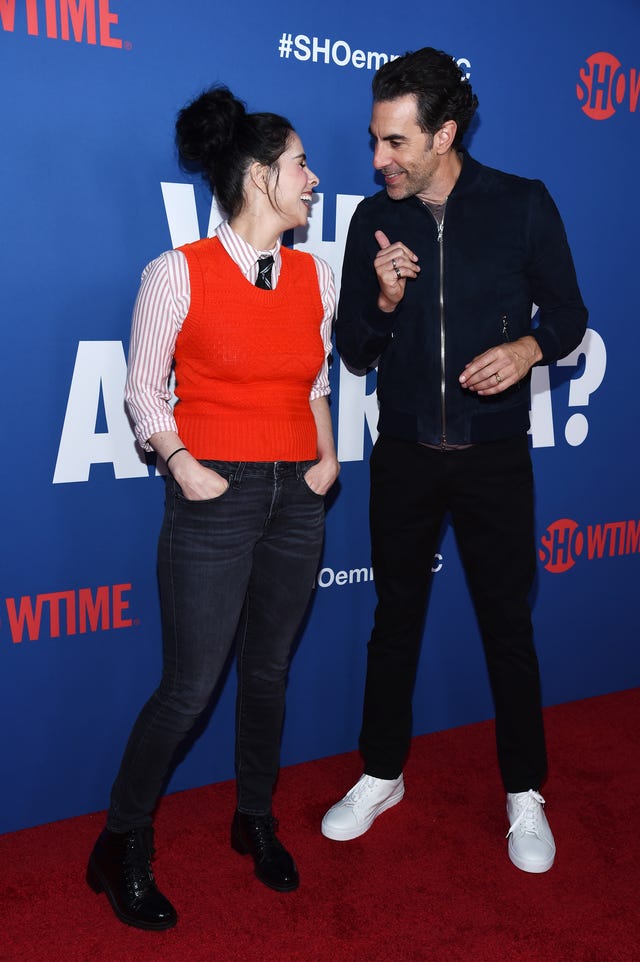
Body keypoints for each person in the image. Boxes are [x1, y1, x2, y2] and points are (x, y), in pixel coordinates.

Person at [321, 48, 587, 874]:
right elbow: (355, 354)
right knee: (393, 622)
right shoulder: (374, 221)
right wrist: (386, 303)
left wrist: (529, 348)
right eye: (375, 140)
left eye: (396, 142)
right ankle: (380, 772)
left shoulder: (521, 204)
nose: (378, 160)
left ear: (444, 133)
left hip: (494, 456)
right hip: (402, 452)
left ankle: (525, 794)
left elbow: (572, 316)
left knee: (508, 627)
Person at [86, 86, 339, 930]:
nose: (314, 178)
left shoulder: (315, 273)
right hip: (214, 497)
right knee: (191, 689)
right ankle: (121, 839)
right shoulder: (177, 273)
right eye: (301, 164)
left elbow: (313, 382)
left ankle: (253, 818)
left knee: (267, 674)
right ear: (262, 177)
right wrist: (186, 466)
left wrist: (327, 455)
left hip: (298, 496)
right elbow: (141, 391)